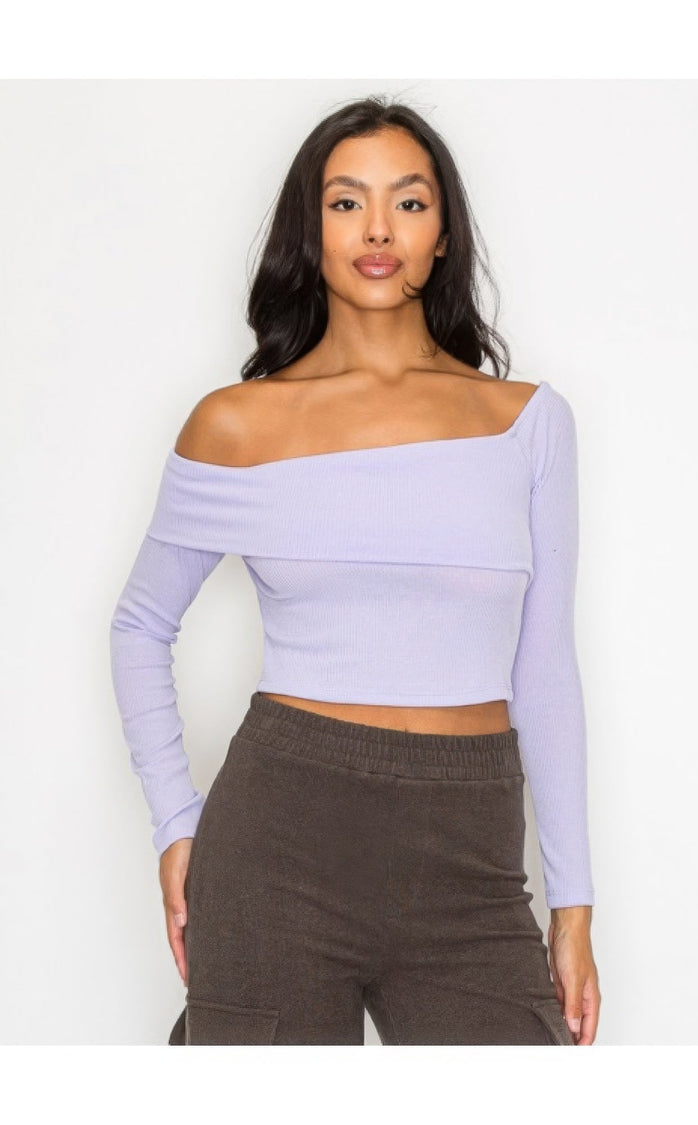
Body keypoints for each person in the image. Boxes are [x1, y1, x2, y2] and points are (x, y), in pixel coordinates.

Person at [109, 94, 601, 1046]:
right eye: (346, 202)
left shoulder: (527, 424)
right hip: (280, 837)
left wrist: (573, 903)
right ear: (313, 228)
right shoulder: (237, 424)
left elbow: (544, 665)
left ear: (443, 234)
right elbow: (139, 624)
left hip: (471, 851)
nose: (378, 229)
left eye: (408, 203)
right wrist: (176, 821)